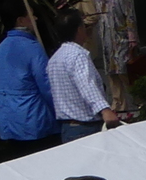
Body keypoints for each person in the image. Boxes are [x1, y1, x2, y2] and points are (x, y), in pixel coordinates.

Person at [0, 6, 58, 157]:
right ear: (21, 20)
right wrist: (59, 111)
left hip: (6, 118)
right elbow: (46, 86)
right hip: (33, 119)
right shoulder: (32, 48)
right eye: (31, 15)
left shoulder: (1, 48)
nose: (35, 18)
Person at [50, 9, 120, 143]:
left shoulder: (54, 59)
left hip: (67, 128)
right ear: (79, 30)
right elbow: (87, 85)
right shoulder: (78, 55)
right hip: (86, 128)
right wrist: (105, 110)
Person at [91, 0, 138, 113]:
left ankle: (138, 99)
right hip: (106, 39)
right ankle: (118, 104)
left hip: (121, 38)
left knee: (124, 71)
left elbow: (129, 15)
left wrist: (132, 38)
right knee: (111, 72)